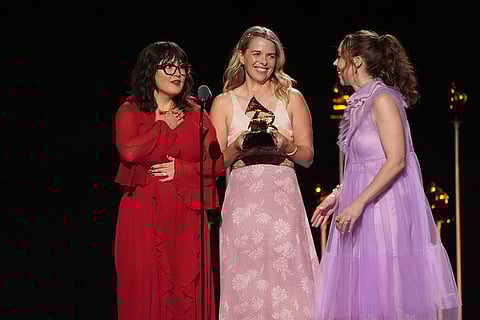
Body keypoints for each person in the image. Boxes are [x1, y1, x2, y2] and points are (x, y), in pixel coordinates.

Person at [310, 30, 461, 319]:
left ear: (356, 62)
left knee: (385, 290)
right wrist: (339, 196)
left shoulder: (382, 100)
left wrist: (357, 203)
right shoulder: (359, 103)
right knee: (363, 295)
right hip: (363, 211)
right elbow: (365, 165)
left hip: (382, 212)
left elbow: (396, 161)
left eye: (339, 57)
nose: (335, 64)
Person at [210, 26, 319, 319]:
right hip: (243, 204)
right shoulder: (223, 102)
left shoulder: (292, 97)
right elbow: (215, 164)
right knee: (246, 282)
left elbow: (308, 156)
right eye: (256, 53)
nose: (264, 61)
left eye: (271, 56)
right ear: (241, 57)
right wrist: (239, 144)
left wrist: (286, 145)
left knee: (289, 282)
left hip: (282, 201)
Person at [114, 41, 224, 319]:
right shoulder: (130, 111)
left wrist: (182, 170)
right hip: (142, 218)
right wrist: (163, 127)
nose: (178, 73)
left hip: (186, 218)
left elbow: (217, 163)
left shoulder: (196, 114)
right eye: (169, 66)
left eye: (182, 67)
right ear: (151, 71)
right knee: (144, 289)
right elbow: (129, 151)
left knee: (186, 293)